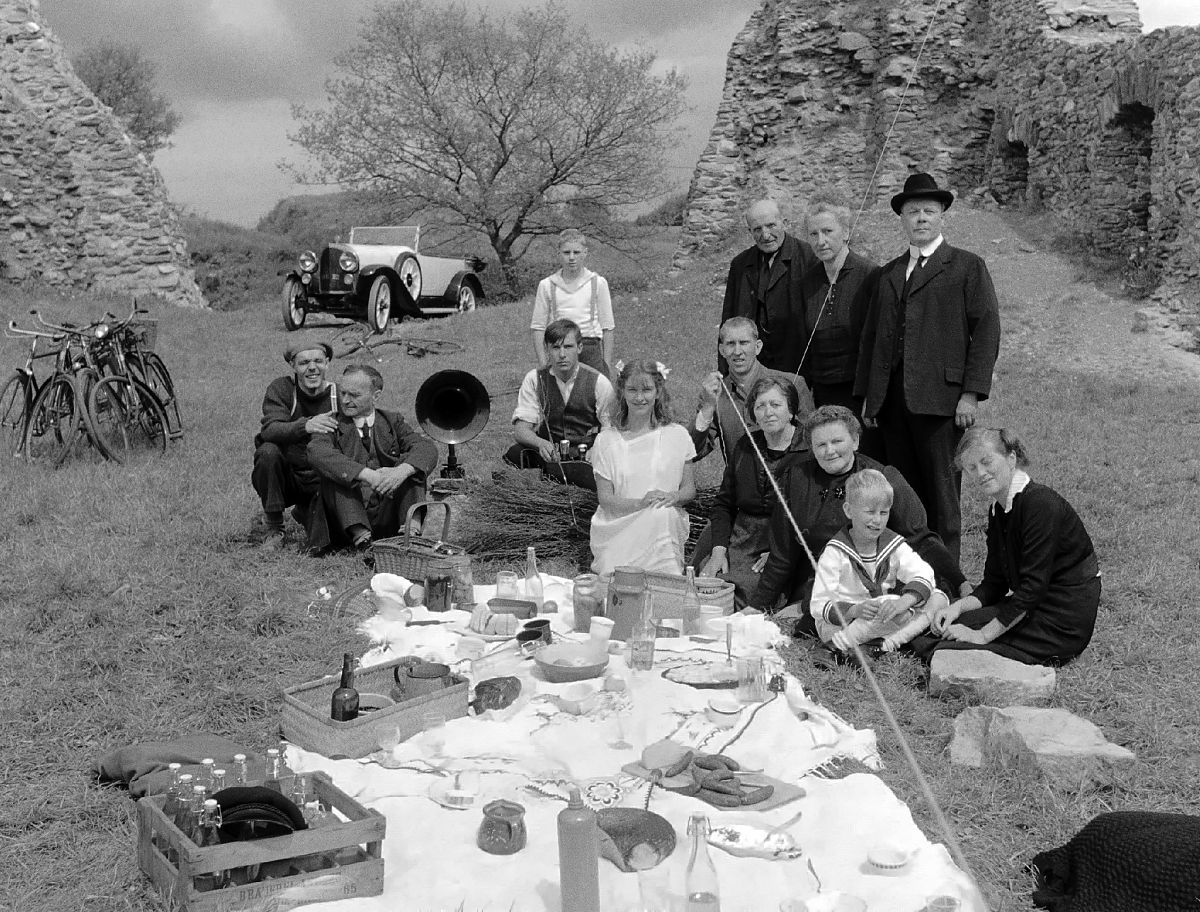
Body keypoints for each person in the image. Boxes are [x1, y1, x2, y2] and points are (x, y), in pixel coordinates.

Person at [855, 172, 1001, 562]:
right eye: (913, 212)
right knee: (900, 488)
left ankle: (947, 574)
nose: (921, 218)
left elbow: (986, 332)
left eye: (929, 212)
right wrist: (871, 397)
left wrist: (969, 394)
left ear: (941, 218)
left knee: (941, 492)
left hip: (941, 401)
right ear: (902, 219)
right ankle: (909, 566)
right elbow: (873, 339)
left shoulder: (966, 267)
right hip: (892, 403)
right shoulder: (887, 274)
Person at [751, 405, 967, 634]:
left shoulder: (884, 477)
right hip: (823, 581)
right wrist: (756, 607)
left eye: (837, 441)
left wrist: (960, 583)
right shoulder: (796, 479)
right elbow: (782, 553)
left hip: (876, 584)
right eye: (821, 445)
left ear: (855, 442)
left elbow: (921, 538)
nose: (829, 451)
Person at [910, 428, 1101, 665]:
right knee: (941, 629)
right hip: (1034, 606)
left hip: (1061, 620)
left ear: (1011, 459)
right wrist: (957, 608)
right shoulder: (998, 510)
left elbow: (1032, 589)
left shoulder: (1040, 504)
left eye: (986, 462)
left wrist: (981, 635)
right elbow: (995, 583)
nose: (980, 473)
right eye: (971, 468)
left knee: (945, 645)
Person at [694, 377, 808, 606]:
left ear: (791, 410)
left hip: (785, 541)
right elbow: (724, 504)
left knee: (747, 592)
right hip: (742, 536)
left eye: (775, 405)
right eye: (760, 406)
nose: (768, 413)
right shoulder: (747, 445)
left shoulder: (809, 450)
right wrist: (718, 550)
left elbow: (813, 515)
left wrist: (782, 554)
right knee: (707, 583)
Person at [810, 469, 946, 657]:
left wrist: (904, 602)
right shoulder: (835, 551)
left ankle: (880, 646)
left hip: (881, 615)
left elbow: (925, 574)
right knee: (888, 604)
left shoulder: (892, 543)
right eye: (870, 512)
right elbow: (818, 605)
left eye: (884, 512)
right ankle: (835, 646)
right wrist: (855, 610)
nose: (877, 520)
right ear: (849, 511)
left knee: (939, 598)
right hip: (841, 624)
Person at [307, 364, 439, 552]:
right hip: (344, 521)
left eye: (354, 395)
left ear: (375, 396)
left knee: (412, 466)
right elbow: (316, 452)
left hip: (387, 513)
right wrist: (367, 475)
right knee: (337, 472)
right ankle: (362, 540)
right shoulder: (331, 423)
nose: (345, 400)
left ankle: (410, 532)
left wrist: (401, 472)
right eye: (343, 393)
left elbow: (426, 448)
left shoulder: (393, 421)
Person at [589, 360, 696, 574]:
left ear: (658, 392)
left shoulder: (677, 435)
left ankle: (665, 583)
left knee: (660, 515)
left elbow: (689, 489)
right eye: (632, 390)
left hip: (663, 519)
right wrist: (640, 503)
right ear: (622, 392)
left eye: (647, 390)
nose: (640, 398)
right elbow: (606, 499)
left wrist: (672, 497)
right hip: (619, 523)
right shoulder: (606, 441)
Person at [505, 318, 615, 490]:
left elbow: (610, 429)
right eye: (556, 347)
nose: (562, 354)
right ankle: (537, 489)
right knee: (515, 453)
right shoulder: (534, 379)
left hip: (587, 455)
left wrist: (598, 449)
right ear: (547, 349)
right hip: (550, 454)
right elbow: (521, 430)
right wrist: (540, 444)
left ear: (579, 348)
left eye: (568, 347)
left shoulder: (599, 382)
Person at [250, 341, 339, 550]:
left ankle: (308, 511)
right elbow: (270, 430)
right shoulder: (282, 389)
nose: (312, 368)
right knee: (268, 452)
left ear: (327, 363)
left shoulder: (339, 395)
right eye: (304, 363)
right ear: (293, 365)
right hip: (288, 476)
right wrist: (306, 425)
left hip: (322, 478)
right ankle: (274, 526)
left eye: (318, 361)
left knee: (329, 541)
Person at [690, 316, 812, 464]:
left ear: (758, 346)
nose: (737, 351)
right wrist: (707, 408)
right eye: (730, 344)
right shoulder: (714, 393)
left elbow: (812, 440)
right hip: (740, 484)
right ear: (722, 350)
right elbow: (692, 453)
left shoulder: (793, 383)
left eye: (744, 343)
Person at [720, 199, 819, 374]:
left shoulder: (809, 258)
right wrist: (724, 372)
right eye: (757, 229)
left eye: (771, 225)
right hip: (753, 364)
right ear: (749, 231)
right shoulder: (740, 264)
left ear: (785, 223)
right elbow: (728, 322)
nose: (765, 235)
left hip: (796, 363)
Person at [799, 198, 878, 414]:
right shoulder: (808, 282)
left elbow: (878, 343)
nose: (821, 241)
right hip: (823, 393)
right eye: (813, 234)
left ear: (845, 232)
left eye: (828, 231)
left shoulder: (870, 274)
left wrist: (872, 395)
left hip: (861, 393)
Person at [530, 229, 615, 376]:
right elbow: (538, 327)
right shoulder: (547, 285)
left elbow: (608, 327)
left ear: (585, 253)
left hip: (590, 349)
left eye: (576, 252)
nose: (571, 258)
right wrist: (544, 365)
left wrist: (605, 367)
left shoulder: (597, 282)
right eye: (566, 252)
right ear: (559, 254)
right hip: (560, 348)